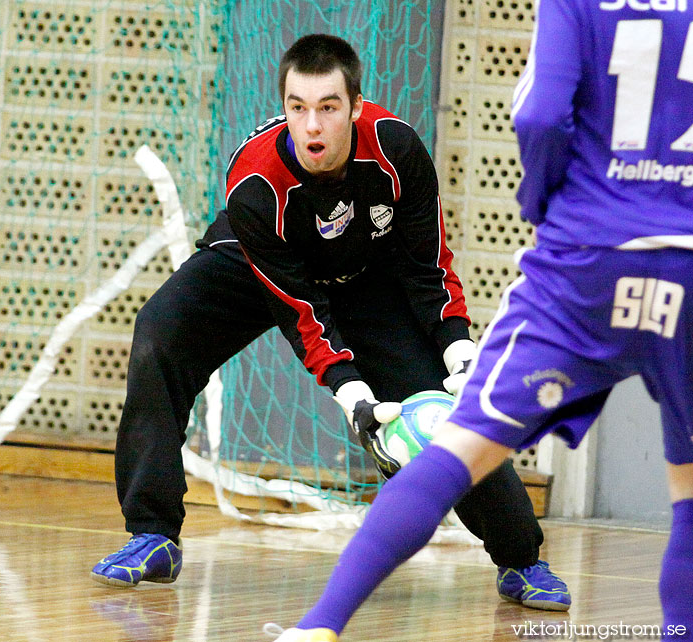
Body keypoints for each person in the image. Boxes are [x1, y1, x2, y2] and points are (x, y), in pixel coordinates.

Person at [89, 34, 569, 610]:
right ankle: (152, 533)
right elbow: (299, 307)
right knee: (158, 335)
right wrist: (353, 395)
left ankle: (521, 559)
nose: (312, 126)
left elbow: (428, 268)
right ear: (285, 107)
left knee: (449, 415)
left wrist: (459, 353)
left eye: (328, 107)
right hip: (256, 260)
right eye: (298, 108)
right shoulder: (255, 182)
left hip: (364, 277)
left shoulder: (397, 151)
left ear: (356, 106)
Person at [266, 5, 693, 642]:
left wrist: (542, 203)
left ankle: (321, 627)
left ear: (352, 105)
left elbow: (541, 112)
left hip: (585, 260)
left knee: (454, 450)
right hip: (685, 258)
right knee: (686, 487)